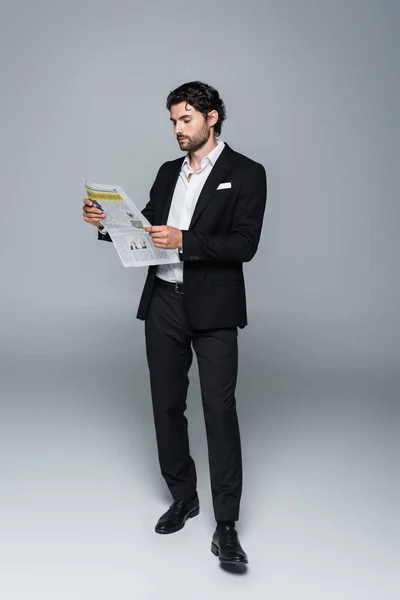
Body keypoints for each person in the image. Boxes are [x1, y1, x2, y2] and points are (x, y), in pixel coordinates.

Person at [82, 81, 267, 565]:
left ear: (212, 118)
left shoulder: (247, 173)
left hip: (214, 308)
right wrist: (106, 222)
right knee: (166, 404)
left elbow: (245, 244)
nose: (177, 129)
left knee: (218, 411)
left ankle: (226, 524)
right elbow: (146, 225)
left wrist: (184, 240)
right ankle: (183, 496)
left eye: (185, 119)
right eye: (173, 121)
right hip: (163, 300)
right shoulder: (168, 172)